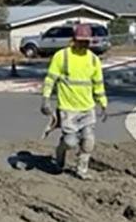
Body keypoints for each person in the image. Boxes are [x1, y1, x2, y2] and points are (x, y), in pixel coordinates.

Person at [41, 24, 108, 180]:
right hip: (68, 109)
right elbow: (50, 79)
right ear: (73, 40)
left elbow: (98, 84)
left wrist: (103, 103)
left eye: (86, 41)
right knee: (70, 142)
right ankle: (60, 151)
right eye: (80, 41)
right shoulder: (62, 56)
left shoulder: (93, 60)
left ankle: (82, 170)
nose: (83, 44)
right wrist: (45, 99)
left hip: (87, 108)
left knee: (88, 140)